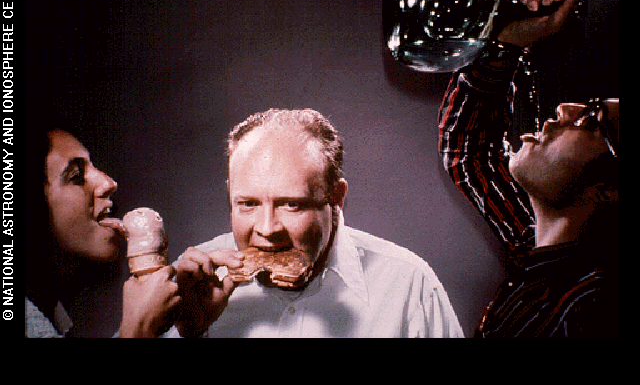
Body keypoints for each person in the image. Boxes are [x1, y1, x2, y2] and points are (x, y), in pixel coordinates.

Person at [164, 108, 463, 337]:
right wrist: (188, 332)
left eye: (292, 204)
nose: (267, 229)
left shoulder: (408, 286)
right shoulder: (192, 285)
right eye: (248, 204)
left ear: (337, 197)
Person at [438, 0, 619, 337]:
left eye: (592, 122)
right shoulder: (533, 245)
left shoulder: (595, 308)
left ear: (609, 188)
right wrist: (507, 43)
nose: (566, 108)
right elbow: (469, 152)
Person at [25, 118, 181, 337]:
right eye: (76, 176)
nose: (109, 183)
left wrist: (190, 328)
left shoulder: (49, 311)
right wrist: (139, 329)